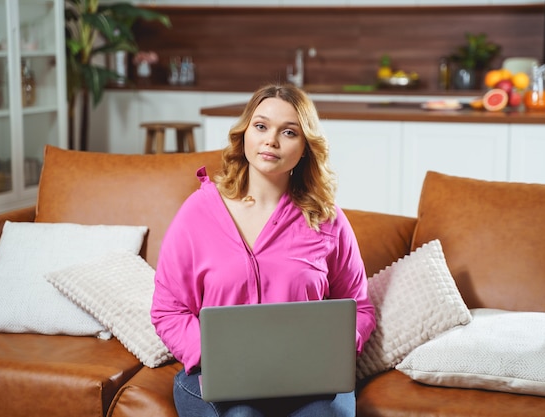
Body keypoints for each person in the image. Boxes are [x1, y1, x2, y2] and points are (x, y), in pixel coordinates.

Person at [151, 83, 376, 417]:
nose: (271, 140)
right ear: (245, 135)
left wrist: (333, 351)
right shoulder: (198, 212)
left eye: (288, 132)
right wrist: (212, 357)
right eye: (261, 126)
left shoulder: (327, 220)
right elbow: (168, 310)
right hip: (218, 378)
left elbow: (361, 308)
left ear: (305, 148)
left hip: (309, 381)